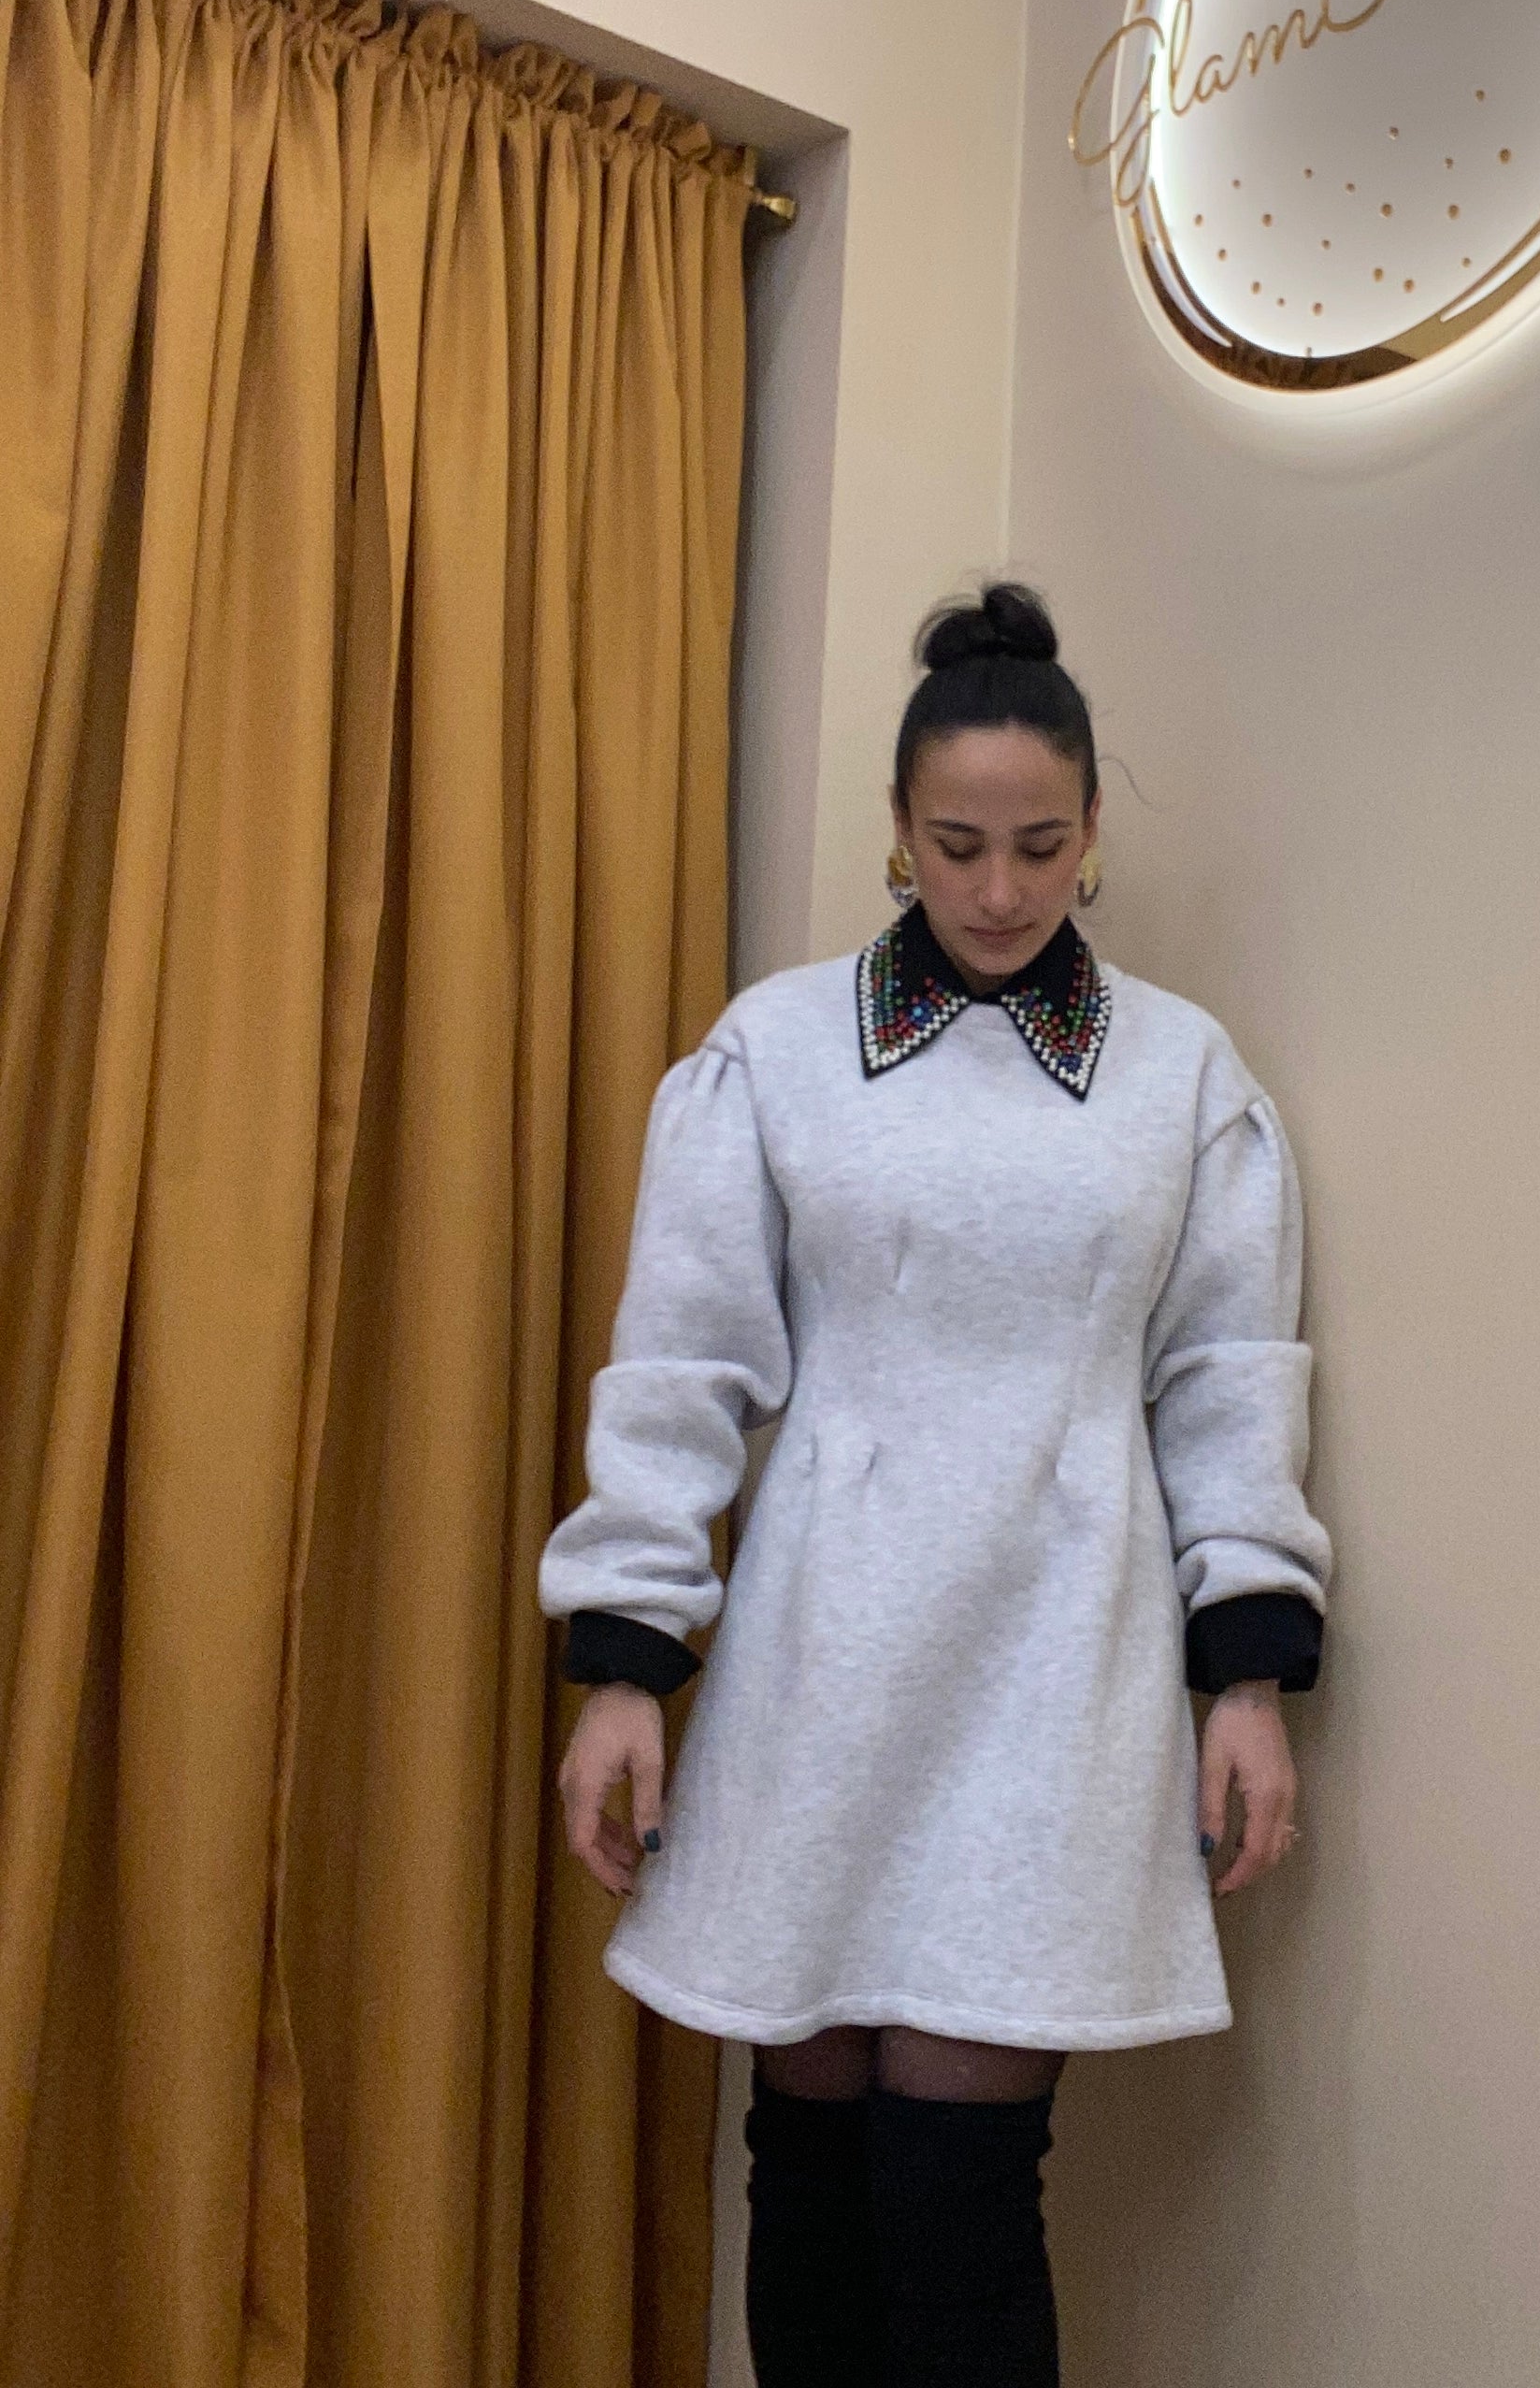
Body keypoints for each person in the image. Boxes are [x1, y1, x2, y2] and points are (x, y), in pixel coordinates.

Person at [540, 581, 1332, 2387]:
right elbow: (681, 1368)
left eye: (1041, 846)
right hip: (823, 1651)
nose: (998, 889)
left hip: (1057, 1655)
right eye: (959, 846)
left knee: (964, 2194)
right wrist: (626, 1665)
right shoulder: (776, 1049)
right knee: (809, 2175)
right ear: (898, 830)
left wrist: (1250, 1676)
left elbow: (1225, 1382)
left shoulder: (1181, 1073)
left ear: (1093, 830)